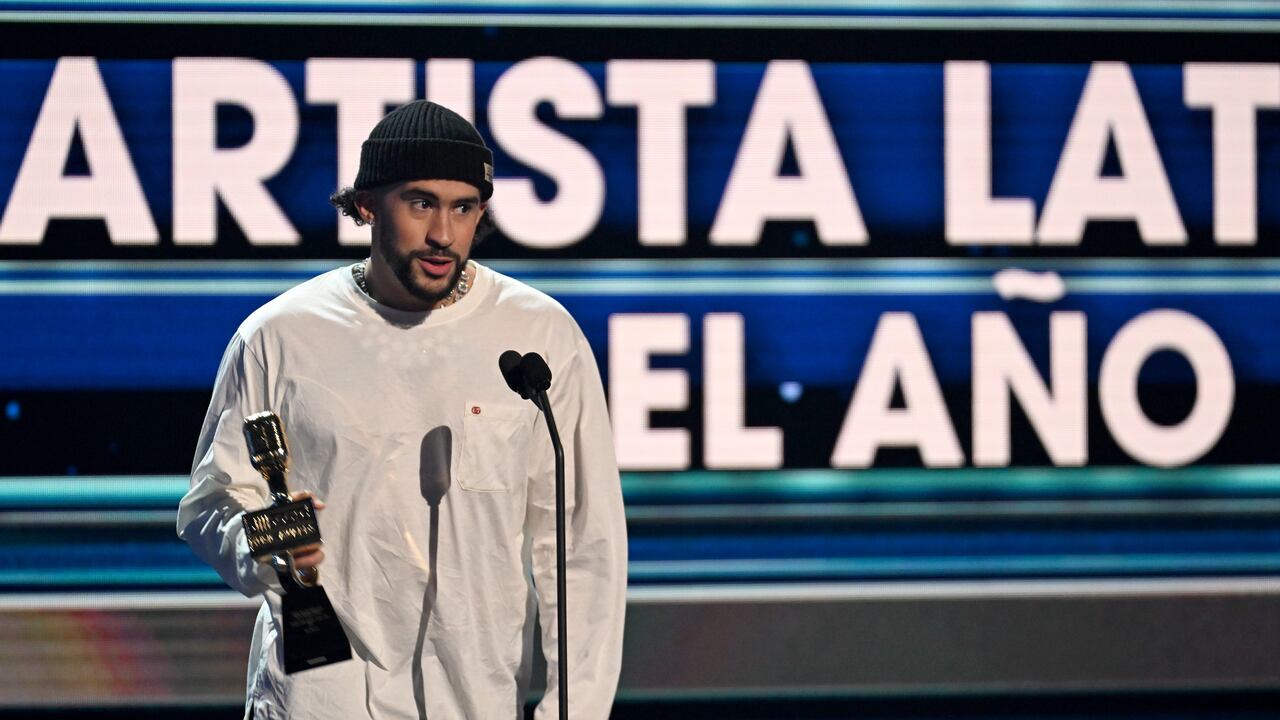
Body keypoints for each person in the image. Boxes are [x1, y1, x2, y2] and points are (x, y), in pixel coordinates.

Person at [178, 100, 627, 720]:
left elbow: (583, 546)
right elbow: (210, 505)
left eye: (464, 207)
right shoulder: (278, 337)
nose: (443, 233)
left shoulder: (539, 335)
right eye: (421, 204)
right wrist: (266, 544)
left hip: (474, 700)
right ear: (367, 205)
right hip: (318, 699)